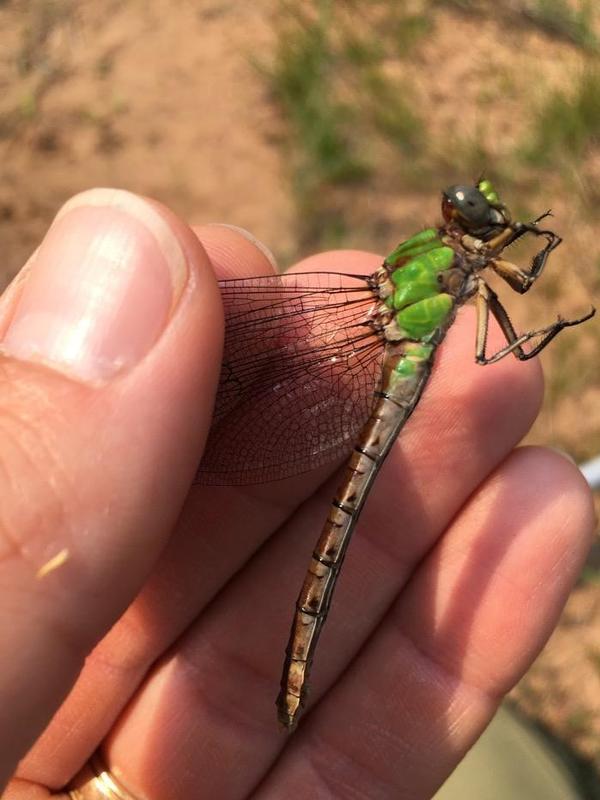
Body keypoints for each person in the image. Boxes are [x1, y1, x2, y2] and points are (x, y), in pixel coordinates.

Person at [0, 189, 594, 799]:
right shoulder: (453, 266)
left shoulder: (453, 260)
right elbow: (494, 347)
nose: (486, 219)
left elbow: (505, 315)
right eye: (472, 212)